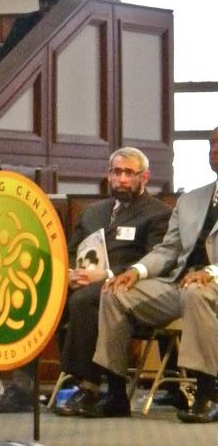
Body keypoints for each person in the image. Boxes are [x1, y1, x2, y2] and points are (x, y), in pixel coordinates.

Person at [0, 147, 172, 414]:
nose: (122, 179)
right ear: (108, 175)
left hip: (124, 286)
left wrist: (107, 275)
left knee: (84, 300)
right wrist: (69, 274)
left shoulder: (158, 214)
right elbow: (71, 251)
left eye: (129, 174)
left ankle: (86, 387)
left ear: (145, 177)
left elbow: (153, 260)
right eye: (117, 172)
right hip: (83, 281)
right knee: (36, 294)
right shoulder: (93, 212)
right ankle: (23, 386)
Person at [90, 127, 218, 423]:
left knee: (196, 292)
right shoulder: (192, 199)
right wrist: (136, 271)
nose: (214, 149)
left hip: (207, 285)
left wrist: (209, 272)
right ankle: (116, 394)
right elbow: (170, 247)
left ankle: (207, 394)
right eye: (211, 144)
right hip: (179, 284)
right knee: (115, 292)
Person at [0, 0, 65, 58]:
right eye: (42, 1)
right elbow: (7, 53)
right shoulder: (23, 22)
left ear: (62, 2)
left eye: (51, 2)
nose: (45, 6)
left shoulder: (68, 22)